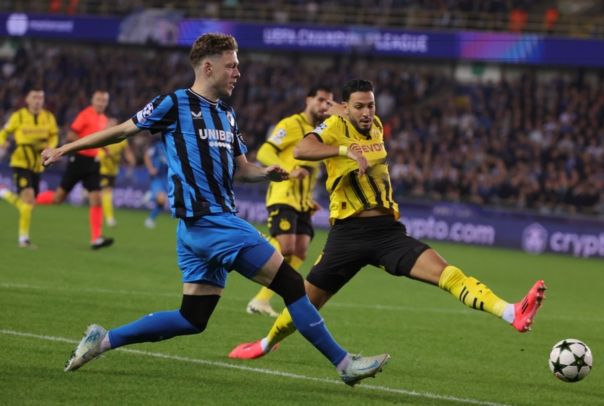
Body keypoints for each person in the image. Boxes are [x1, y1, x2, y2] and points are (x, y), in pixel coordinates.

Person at [41, 34, 389, 386]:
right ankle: (344, 363)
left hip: (199, 230)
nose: (238, 72)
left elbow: (243, 168)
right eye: (232, 65)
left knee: (192, 318)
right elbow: (121, 131)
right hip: (211, 221)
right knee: (291, 283)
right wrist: (66, 148)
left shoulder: (227, 114)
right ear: (208, 67)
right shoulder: (175, 103)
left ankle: (103, 339)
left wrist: (265, 173)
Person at [228, 79, 547, 361]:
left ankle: (511, 312)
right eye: (359, 106)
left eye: (371, 105)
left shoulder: (376, 125)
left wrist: (350, 136)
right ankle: (266, 343)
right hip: (348, 235)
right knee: (307, 302)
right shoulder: (336, 127)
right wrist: (343, 149)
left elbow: (370, 147)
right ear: (348, 109)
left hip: (387, 232)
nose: (367, 112)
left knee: (448, 273)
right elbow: (301, 148)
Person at [246, 84, 334, 317]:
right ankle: (253, 243)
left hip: (302, 202)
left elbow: (309, 172)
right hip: (283, 195)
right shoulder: (291, 124)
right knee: (284, 246)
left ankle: (261, 300)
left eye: (329, 102)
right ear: (308, 99)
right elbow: (265, 152)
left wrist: (309, 199)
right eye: (321, 100)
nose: (324, 105)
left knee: (300, 251)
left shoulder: (320, 134)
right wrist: (286, 170)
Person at [36, 90, 114, 249]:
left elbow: (98, 139)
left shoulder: (103, 119)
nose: (101, 103)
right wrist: (86, 143)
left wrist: (104, 148)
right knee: (58, 198)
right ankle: (30, 201)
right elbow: (71, 136)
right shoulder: (85, 114)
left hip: (93, 162)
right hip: (78, 160)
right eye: (99, 100)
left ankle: (96, 238)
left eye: (104, 100)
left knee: (96, 197)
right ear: (93, 100)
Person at [0, 88, 59, 248]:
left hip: (38, 165)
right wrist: (2, 142)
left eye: (40, 97)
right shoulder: (18, 116)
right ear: (27, 99)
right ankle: (23, 240)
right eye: (34, 97)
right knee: (28, 198)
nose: (38, 100)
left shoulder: (48, 117)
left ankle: (4, 193)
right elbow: (4, 132)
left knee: (30, 205)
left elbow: (54, 135)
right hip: (21, 162)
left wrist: (52, 148)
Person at [98, 118, 136, 227]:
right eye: (110, 124)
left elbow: (127, 152)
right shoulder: (103, 135)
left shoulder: (121, 139)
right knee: (106, 192)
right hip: (101, 168)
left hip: (113, 170)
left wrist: (131, 159)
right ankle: (109, 218)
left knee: (106, 193)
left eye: (114, 125)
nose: (111, 127)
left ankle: (107, 216)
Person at [143, 134, 168, 229]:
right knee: (161, 199)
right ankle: (151, 196)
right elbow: (146, 155)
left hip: (166, 177)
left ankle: (150, 219)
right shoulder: (157, 145)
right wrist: (150, 168)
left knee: (162, 202)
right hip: (157, 176)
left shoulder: (170, 146)